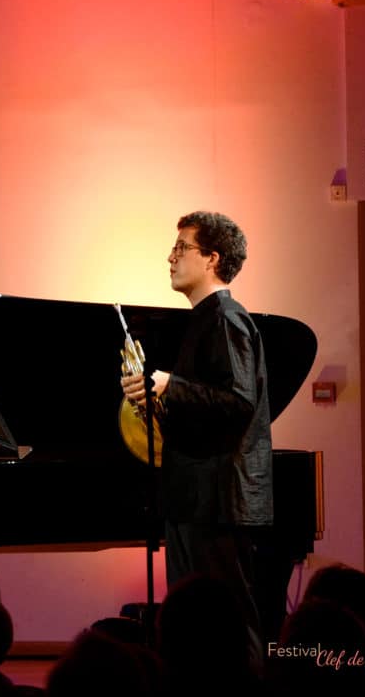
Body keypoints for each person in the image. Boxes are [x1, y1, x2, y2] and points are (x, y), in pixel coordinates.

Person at [120, 211, 271, 646]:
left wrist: (172, 385)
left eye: (182, 247)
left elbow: (239, 402)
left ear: (211, 258)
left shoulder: (226, 318)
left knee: (228, 620)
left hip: (218, 498)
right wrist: (154, 399)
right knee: (199, 623)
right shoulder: (206, 318)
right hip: (196, 493)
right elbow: (206, 407)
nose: (171, 257)